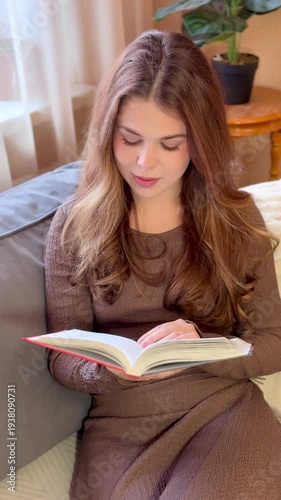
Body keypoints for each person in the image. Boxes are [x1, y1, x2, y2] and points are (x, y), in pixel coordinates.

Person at [44, 30, 281, 500]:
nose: (144, 161)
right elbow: (61, 358)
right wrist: (113, 369)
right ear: (108, 129)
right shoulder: (75, 227)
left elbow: (273, 346)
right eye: (129, 138)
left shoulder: (234, 220)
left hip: (223, 412)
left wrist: (207, 347)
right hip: (120, 430)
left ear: (201, 143)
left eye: (170, 145)